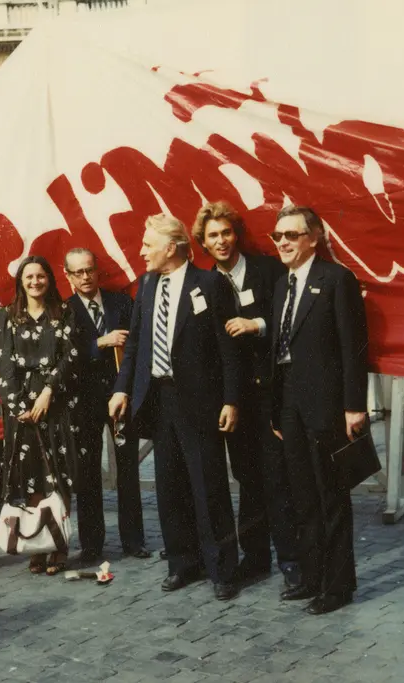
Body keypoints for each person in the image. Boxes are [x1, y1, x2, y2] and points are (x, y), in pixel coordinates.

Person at [108, 214, 241, 601]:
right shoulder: (147, 286)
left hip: (200, 402)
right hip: (158, 399)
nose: (142, 251)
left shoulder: (210, 283)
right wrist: (122, 390)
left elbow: (227, 348)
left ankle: (222, 570)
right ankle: (183, 563)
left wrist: (231, 399)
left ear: (171, 248)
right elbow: (135, 346)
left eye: (148, 245)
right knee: (169, 486)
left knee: (208, 486)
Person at [192, 201, 300, 589]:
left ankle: (292, 563)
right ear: (202, 243)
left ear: (236, 234)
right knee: (247, 479)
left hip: (272, 393)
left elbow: (292, 318)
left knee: (277, 478)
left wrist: (256, 324)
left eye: (226, 233)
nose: (221, 241)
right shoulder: (202, 284)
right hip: (235, 400)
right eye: (212, 236)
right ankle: (255, 559)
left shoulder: (267, 270)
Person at [269, 205, 371, 615]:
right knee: (302, 496)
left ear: (314, 238)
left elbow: (354, 347)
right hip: (290, 405)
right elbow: (277, 350)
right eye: (278, 236)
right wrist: (277, 410)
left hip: (327, 406)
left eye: (291, 235)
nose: (283, 243)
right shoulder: (282, 285)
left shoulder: (336, 279)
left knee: (331, 496)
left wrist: (354, 407)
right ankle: (311, 576)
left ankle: (337, 585)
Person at [0, 256, 82, 575]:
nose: (35, 281)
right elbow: (4, 364)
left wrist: (48, 392)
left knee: (58, 476)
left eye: (41, 276)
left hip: (56, 404)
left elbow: (70, 357)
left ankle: (59, 546)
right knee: (29, 477)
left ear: (50, 279)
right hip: (21, 408)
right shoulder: (8, 316)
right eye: (29, 276)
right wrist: (17, 407)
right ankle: (36, 544)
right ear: (21, 281)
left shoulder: (64, 312)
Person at [64, 248, 149, 563]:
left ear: (97, 270)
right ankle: (92, 545)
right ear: (68, 276)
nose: (85, 278)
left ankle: (134, 541)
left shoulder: (120, 302)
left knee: (128, 469)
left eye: (89, 270)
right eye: (78, 273)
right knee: (87, 474)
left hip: (119, 397)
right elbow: (66, 355)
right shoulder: (65, 310)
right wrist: (100, 342)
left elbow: (137, 348)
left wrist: (125, 390)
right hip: (84, 402)